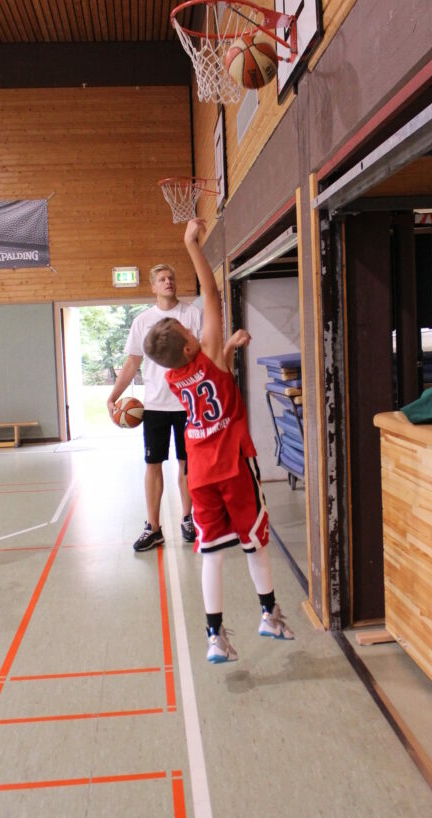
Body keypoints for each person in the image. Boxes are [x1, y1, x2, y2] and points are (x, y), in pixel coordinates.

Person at [144, 219, 294, 664]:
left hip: (201, 474)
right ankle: (269, 615)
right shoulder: (206, 352)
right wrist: (191, 243)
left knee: (211, 554)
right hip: (233, 465)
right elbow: (211, 294)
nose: (196, 331)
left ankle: (214, 637)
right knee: (255, 543)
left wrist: (226, 348)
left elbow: (213, 376)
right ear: (191, 347)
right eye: (190, 333)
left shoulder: (175, 377)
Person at [107, 263, 202, 552]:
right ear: (153, 286)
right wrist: (113, 396)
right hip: (155, 406)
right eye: (161, 279)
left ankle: (188, 518)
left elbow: (203, 353)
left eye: (171, 277)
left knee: (187, 463)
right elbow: (132, 363)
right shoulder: (142, 321)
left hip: (188, 402)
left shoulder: (192, 314)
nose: (168, 282)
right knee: (153, 464)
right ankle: (154, 527)